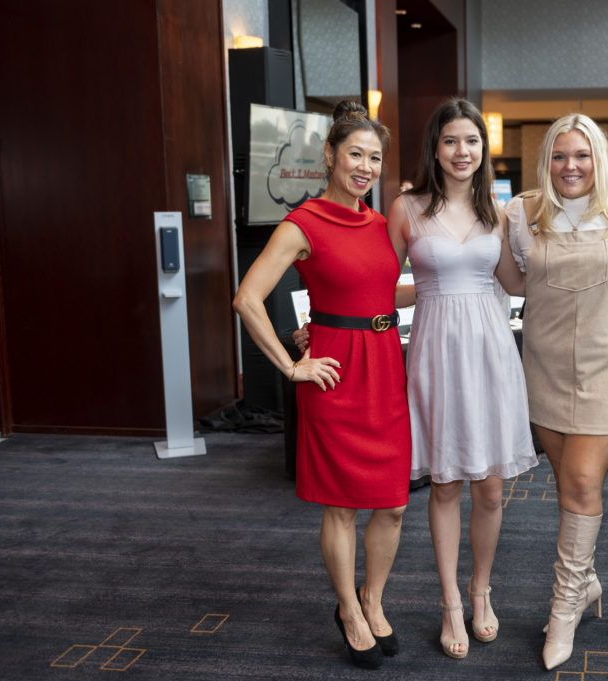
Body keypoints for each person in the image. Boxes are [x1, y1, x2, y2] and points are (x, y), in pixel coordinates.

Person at [233, 100, 408, 671]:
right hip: (335, 376)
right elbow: (247, 297)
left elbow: (378, 296)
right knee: (341, 508)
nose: (365, 166)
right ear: (330, 155)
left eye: (375, 157)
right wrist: (291, 364)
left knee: (393, 504)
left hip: (384, 366)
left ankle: (373, 599)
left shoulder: (378, 223)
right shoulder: (303, 222)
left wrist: (451, 284)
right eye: (355, 154)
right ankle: (348, 611)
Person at [504, 113, 608, 671]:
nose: (571, 166)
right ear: (546, 160)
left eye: (582, 155)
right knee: (567, 481)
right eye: (560, 156)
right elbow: (503, 280)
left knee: (581, 482)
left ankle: (564, 607)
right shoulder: (520, 212)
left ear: (598, 156)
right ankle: (587, 580)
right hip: (543, 365)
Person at [386, 97, 538, 660]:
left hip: (491, 351)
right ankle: (450, 599)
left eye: (471, 141)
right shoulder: (407, 208)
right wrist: (325, 321)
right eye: (451, 140)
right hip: (434, 351)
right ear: (435, 147)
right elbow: (379, 281)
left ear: (483, 150)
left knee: (492, 487)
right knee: (446, 482)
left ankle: (481, 590)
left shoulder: (497, 213)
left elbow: (516, 284)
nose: (461, 151)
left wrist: (554, 241)